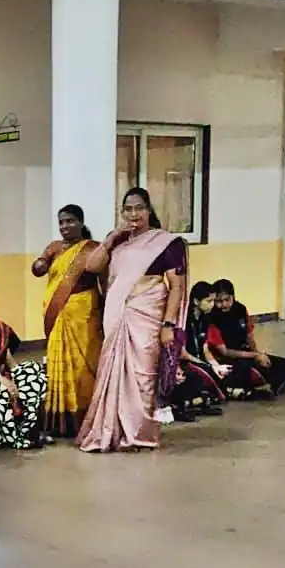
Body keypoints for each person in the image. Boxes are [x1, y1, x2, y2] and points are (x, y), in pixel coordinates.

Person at [77, 188, 188, 453]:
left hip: (148, 316)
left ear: (149, 210)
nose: (133, 214)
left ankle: (139, 434)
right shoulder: (117, 241)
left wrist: (168, 325)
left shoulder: (166, 243)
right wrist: (113, 237)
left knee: (143, 375)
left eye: (139, 208)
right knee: (113, 372)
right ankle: (111, 430)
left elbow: (176, 287)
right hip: (117, 315)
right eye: (128, 209)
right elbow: (92, 267)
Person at [31, 204, 103, 438]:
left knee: (83, 366)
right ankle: (60, 418)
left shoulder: (92, 249)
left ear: (81, 223)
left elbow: (104, 281)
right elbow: (38, 267)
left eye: (70, 221)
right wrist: (40, 264)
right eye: (61, 222)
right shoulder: (54, 248)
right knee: (57, 364)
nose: (65, 226)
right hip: (58, 314)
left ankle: (85, 418)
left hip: (84, 315)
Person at [0, 287, 48, 450]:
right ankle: (8, 437)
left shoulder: (1, 330)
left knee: (32, 373)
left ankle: (28, 431)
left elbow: (9, 361)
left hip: (4, 377)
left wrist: (17, 377)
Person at [207, 278, 285, 399]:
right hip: (228, 360)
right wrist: (255, 356)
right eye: (219, 301)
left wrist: (259, 354)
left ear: (233, 297)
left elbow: (249, 335)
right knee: (245, 370)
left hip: (246, 353)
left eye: (227, 300)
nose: (223, 305)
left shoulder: (240, 309)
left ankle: (267, 385)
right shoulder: (212, 318)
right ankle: (261, 383)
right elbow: (225, 352)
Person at [170, 281, 227, 421]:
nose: (212, 304)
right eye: (209, 301)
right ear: (196, 301)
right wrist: (206, 367)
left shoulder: (204, 318)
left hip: (196, 359)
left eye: (213, 301)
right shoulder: (184, 320)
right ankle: (180, 406)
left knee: (219, 371)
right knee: (207, 375)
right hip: (184, 361)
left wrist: (214, 364)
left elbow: (204, 347)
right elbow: (182, 353)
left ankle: (202, 401)